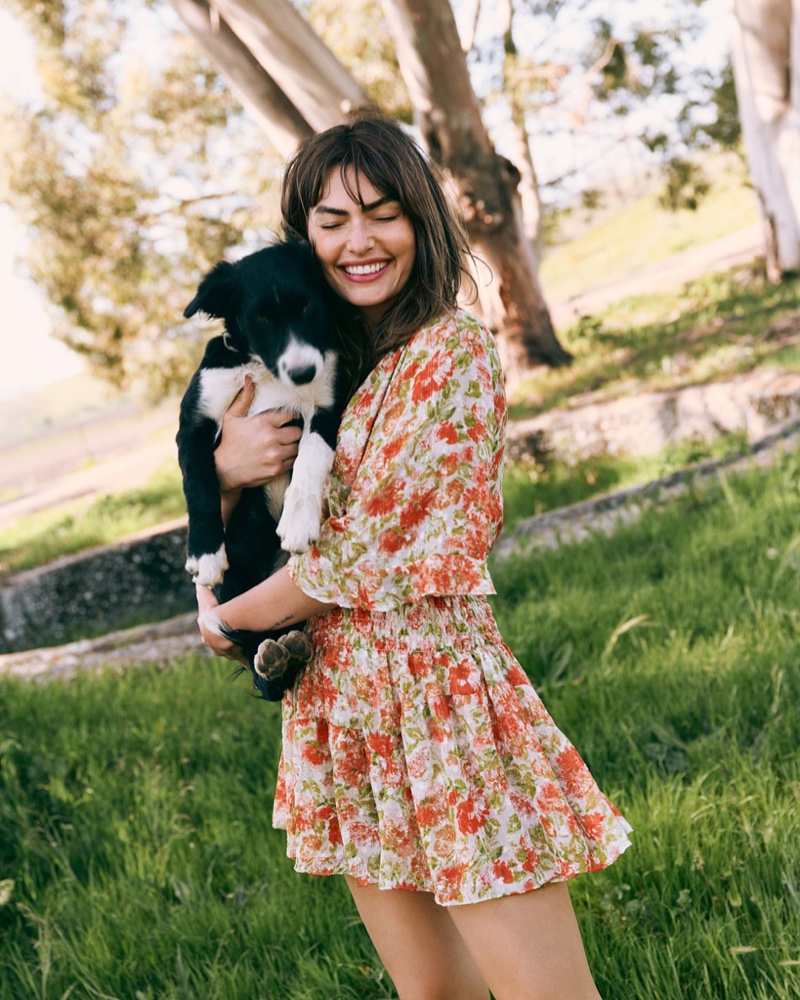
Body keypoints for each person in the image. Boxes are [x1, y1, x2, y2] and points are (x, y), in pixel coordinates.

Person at [196, 110, 632, 1000]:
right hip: (340, 710)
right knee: (434, 993)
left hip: (440, 705)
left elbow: (367, 555)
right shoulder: (326, 365)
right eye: (332, 220)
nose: (360, 240)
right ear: (302, 238)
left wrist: (226, 620)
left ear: (422, 219)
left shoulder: (451, 352)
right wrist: (226, 474)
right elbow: (252, 515)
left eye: (383, 212)